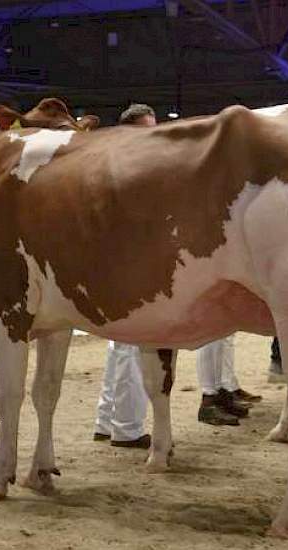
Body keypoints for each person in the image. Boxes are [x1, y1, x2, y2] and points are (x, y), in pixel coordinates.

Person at [92, 104, 158, 449]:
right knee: (133, 341)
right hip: (125, 257)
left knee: (121, 343)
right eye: (147, 129)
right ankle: (127, 428)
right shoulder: (126, 165)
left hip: (115, 256)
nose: (154, 135)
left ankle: (107, 421)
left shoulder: (111, 160)